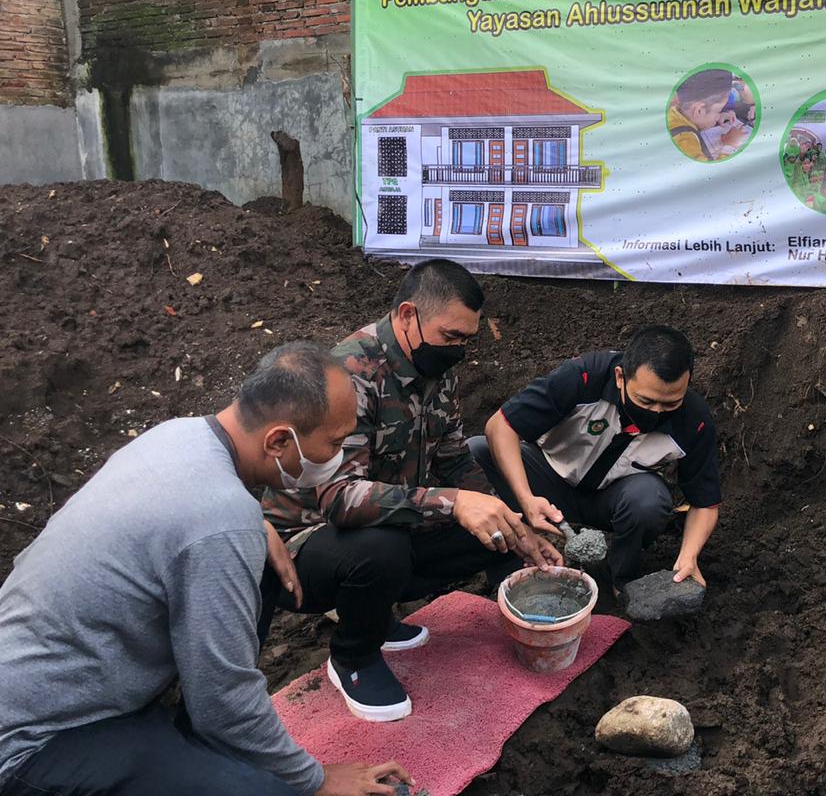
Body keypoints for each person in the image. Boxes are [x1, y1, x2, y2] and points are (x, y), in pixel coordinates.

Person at [0, 343, 412, 796]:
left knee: (258, 564)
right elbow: (225, 699)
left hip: (66, 685)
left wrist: (254, 526)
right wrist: (314, 779)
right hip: (35, 743)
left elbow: (186, 518)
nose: (337, 455)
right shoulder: (219, 520)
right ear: (278, 440)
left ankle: (200, 749)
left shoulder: (180, 436)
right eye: (333, 443)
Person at [259, 261, 560, 723]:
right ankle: (354, 658)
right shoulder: (347, 376)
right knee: (383, 544)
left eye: (467, 340)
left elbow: (456, 458)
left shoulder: (437, 370)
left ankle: (376, 615)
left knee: (493, 517)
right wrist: (454, 503)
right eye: (451, 336)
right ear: (406, 315)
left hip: (385, 523)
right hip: (299, 550)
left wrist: (513, 527)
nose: (459, 351)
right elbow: (339, 499)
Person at [469, 326, 721, 594]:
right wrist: (526, 498)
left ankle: (622, 581)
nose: (657, 412)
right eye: (646, 401)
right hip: (548, 479)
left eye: (670, 404)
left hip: (614, 499)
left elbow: (704, 502)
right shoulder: (584, 377)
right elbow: (500, 426)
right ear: (620, 377)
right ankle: (509, 568)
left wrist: (688, 556)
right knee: (477, 453)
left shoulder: (694, 420)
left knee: (648, 500)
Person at [668, 69, 748, 162]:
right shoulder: (684, 141)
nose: (718, 116)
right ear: (699, 110)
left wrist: (720, 115)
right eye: (718, 111)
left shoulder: (674, 110)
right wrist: (730, 145)